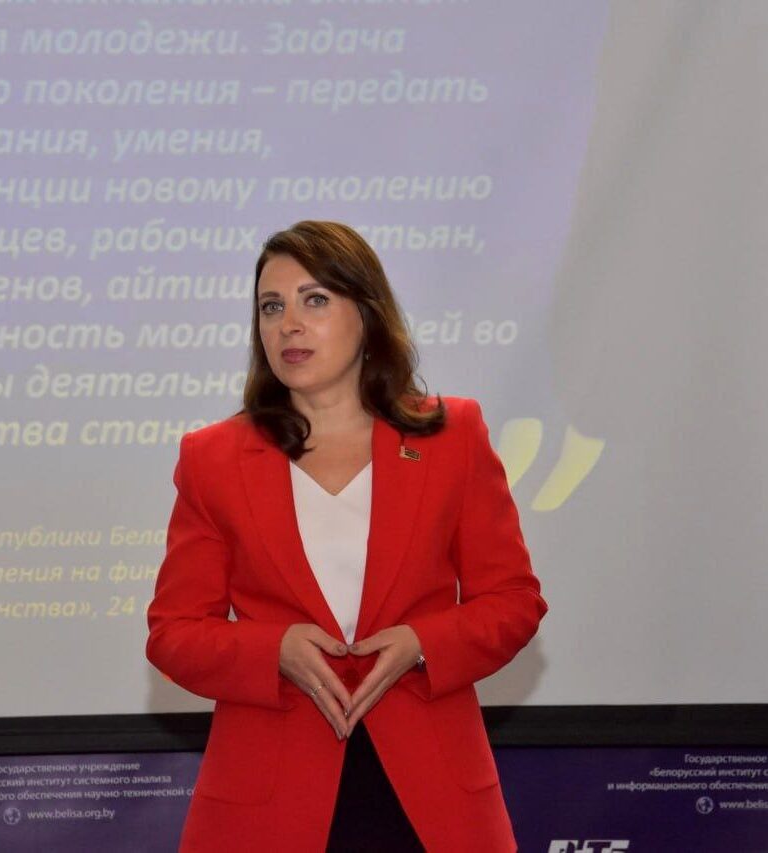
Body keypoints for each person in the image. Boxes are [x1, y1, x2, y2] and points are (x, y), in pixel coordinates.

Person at [146, 220, 548, 852]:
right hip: (270, 802)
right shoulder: (213, 458)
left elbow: (514, 602)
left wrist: (423, 643)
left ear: (366, 314)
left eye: (314, 300)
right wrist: (272, 649)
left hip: (429, 795)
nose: (288, 325)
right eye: (271, 307)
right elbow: (174, 633)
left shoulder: (451, 436)